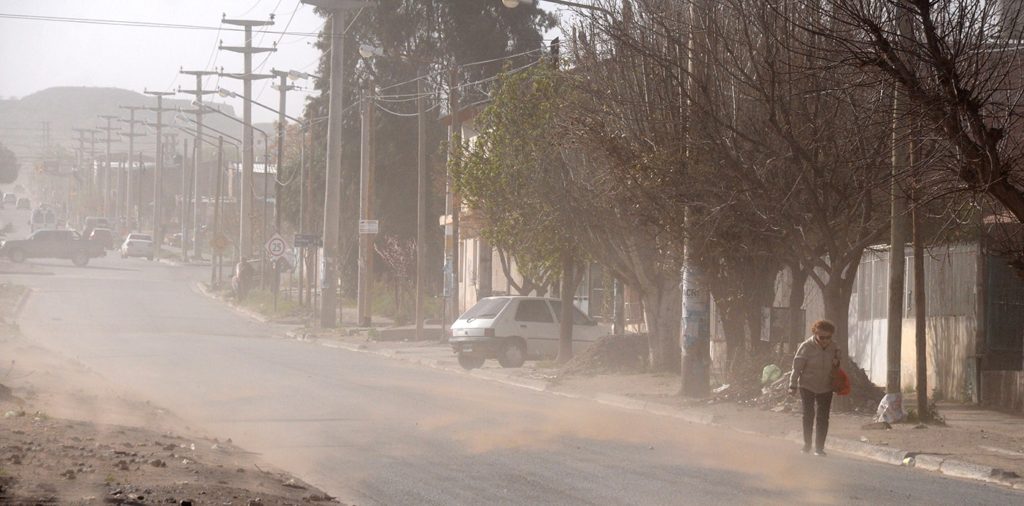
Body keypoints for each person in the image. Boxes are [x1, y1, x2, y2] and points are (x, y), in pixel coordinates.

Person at [789, 319, 842, 456]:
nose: (825, 340)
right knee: (808, 414)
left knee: (823, 417)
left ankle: (819, 448)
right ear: (815, 334)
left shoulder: (834, 348)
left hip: (826, 386)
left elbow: (837, 367)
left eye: (828, 337)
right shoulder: (806, 347)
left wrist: (837, 379)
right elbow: (797, 367)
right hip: (807, 385)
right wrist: (792, 385)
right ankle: (807, 444)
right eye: (821, 337)